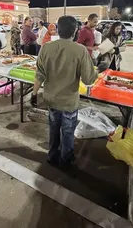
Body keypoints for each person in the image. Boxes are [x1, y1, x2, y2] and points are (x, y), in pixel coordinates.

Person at [31, 16, 98, 167]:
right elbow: (88, 80)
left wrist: (34, 93)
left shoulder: (46, 47)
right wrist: (97, 71)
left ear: (58, 30)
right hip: (69, 102)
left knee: (54, 129)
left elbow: (39, 74)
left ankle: (52, 156)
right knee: (67, 133)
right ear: (75, 31)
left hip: (51, 100)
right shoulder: (80, 50)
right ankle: (66, 160)